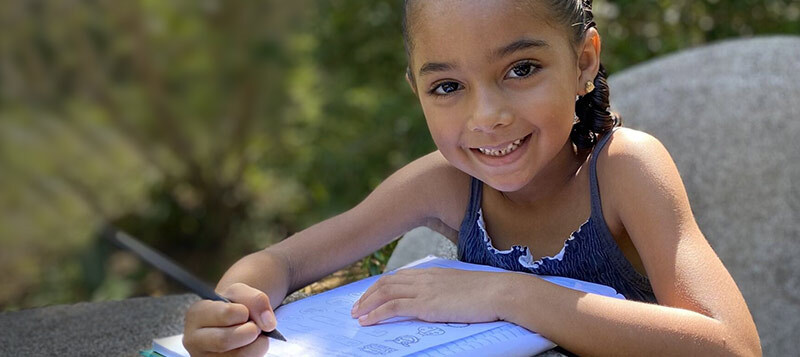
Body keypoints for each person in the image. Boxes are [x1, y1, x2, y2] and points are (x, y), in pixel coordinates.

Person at [182, 0, 761, 355]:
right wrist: (236, 304)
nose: (487, 116)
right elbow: (283, 262)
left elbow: (732, 346)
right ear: (417, 92)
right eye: (448, 87)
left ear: (583, 61)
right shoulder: (448, 183)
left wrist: (503, 293)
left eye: (522, 69)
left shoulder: (623, 171)